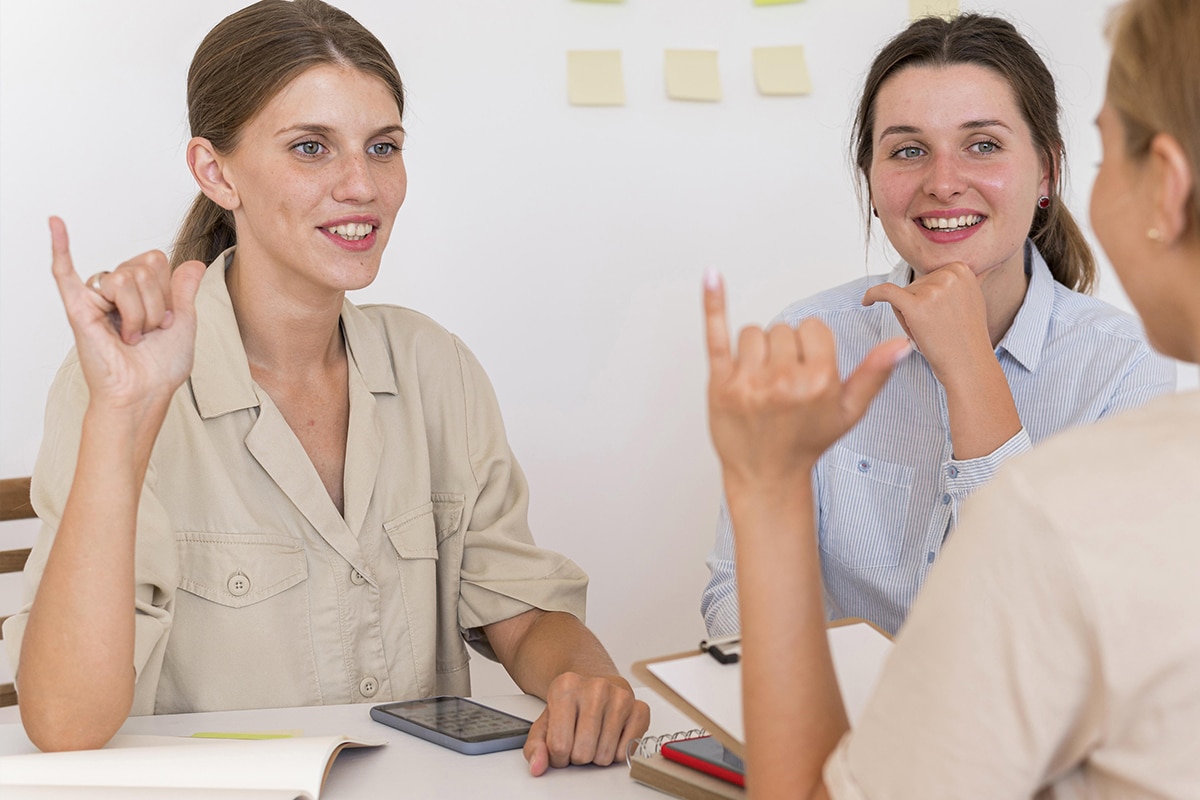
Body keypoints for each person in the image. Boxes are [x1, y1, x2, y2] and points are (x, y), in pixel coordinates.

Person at [2, 0, 649, 771]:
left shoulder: (435, 368)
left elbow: (521, 610)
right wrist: (121, 418)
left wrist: (588, 679)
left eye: (383, 147)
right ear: (216, 172)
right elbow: (65, 722)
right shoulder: (120, 381)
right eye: (311, 147)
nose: (361, 185)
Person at [704, 0, 1200, 794]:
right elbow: (729, 596)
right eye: (907, 150)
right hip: (851, 745)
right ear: (870, 181)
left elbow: (1037, 635)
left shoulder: (1120, 365)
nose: (943, 182)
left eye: (982, 144)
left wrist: (972, 368)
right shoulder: (809, 339)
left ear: (1049, 171)